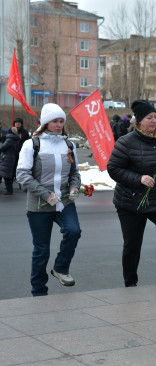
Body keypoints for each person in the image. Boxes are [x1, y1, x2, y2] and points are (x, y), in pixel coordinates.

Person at [107, 99, 156, 287]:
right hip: (131, 201)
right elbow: (113, 169)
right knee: (132, 245)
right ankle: (130, 283)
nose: (154, 121)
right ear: (139, 121)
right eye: (149, 117)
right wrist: (138, 179)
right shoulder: (126, 142)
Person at [16, 103, 82, 296]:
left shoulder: (68, 144)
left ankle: (61, 268)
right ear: (45, 122)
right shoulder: (32, 144)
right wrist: (46, 194)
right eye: (55, 121)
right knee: (41, 250)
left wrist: (74, 187)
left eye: (62, 121)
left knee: (74, 231)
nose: (59, 124)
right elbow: (22, 175)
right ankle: (38, 291)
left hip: (64, 202)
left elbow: (75, 173)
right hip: (39, 205)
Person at [0, 127, 20, 194]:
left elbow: (2, 147)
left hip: (6, 158)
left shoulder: (9, 139)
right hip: (10, 157)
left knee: (5, 175)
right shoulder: (15, 138)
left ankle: (9, 190)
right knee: (7, 174)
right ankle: (9, 189)